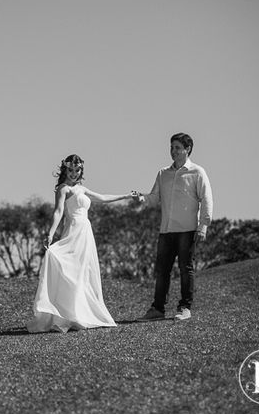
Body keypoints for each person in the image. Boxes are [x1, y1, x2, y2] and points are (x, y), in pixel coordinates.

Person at [26, 154, 139, 333]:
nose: (74, 173)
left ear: (81, 171)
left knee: (82, 272)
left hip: (85, 233)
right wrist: (50, 233)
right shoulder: (63, 189)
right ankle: (65, 315)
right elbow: (58, 211)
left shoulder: (82, 188)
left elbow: (102, 197)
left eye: (77, 170)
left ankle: (78, 315)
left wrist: (126, 196)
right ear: (65, 169)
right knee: (70, 270)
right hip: (72, 231)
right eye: (70, 170)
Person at [135, 133, 213, 322]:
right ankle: (157, 309)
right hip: (166, 231)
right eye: (171, 147)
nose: (173, 151)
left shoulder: (197, 172)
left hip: (187, 230)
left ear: (188, 150)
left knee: (186, 269)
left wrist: (203, 225)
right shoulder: (163, 173)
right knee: (162, 271)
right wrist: (142, 198)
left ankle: (185, 308)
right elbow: (154, 198)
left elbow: (207, 199)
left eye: (178, 147)